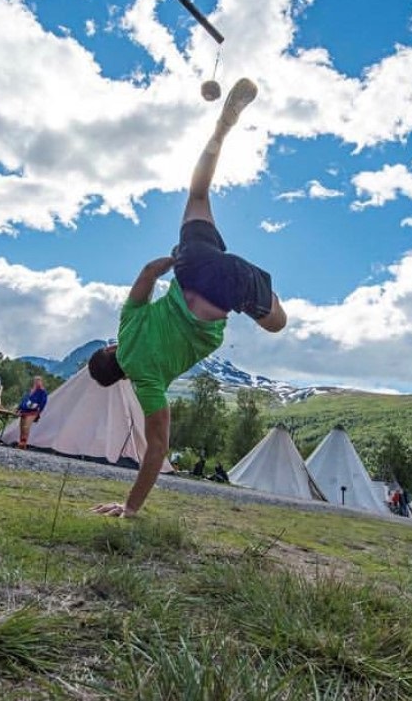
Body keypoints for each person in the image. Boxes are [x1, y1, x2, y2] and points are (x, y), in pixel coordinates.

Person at [87, 79, 286, 518]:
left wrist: (131, 507)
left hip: (227, 290)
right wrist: (175, 259)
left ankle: (259, 295)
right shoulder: (127, 324)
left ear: (119, 376)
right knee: (198, 193)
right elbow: (146, 273)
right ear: (108, 348)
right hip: (193, 265)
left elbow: (157, 448)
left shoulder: (146, 384)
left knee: (278, 323)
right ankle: (221, 131)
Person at [15, 375, 48, 450]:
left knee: (26, 426)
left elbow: (43, 402)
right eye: (36, 380)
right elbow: (24, 400)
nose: (37, 382)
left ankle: (24, 442)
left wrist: (39, 410)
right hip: (25, 410)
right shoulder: (30, 391)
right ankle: (21, 443)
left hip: (33, 411)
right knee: (22, 426)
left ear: (41, 382)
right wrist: (18, 408)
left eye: (39, 380)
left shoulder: (42, 392)